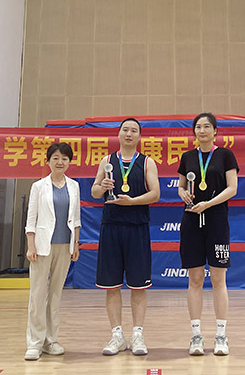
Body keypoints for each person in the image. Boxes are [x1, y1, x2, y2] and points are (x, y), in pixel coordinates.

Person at [91, 118, 160, 356]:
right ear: (119, 134)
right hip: (111, 226)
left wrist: (132, 202)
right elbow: (94, 191)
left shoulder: (147, 162)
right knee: (112, 286)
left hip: (137, 227)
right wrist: (102, 187)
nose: (129, 134)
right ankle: (117, 335)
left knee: (138, 286)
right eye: (125, 130)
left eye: (134, 131)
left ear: (139, 136)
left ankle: (138, 335)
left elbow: (155, 194)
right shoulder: (107, 161)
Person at [177, 113, 238, 356]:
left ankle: (221, 335)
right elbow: (181, 185)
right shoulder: (187, 157)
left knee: (218, 279)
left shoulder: (225, 155)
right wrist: (183, 194)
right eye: (198, 127)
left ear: (215, 131)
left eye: (206, 127)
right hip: (191, 220)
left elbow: (232, 188)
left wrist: (209, 204)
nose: (201, 131)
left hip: (217, 221)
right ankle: (196, 336)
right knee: (194, 279)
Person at [24, 142, 81, 360]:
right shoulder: (39, 186)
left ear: (69, 162)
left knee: (55, 295)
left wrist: (76, 244)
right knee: (38, 295)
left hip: (65, 246)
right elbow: (31, 219)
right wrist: (31, 245)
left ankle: (51, 340)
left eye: (64, 158)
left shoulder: (74, 186)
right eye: (55, 158)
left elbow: (76, 218)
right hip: (41, 247)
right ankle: (34, 343)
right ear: (48, 161)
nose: (60, 162)